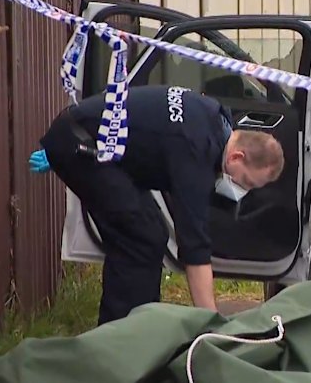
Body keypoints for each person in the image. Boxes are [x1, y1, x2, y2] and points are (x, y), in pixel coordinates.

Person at [28, 85, 284, 325]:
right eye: (246, 181)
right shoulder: (195, 153)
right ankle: (119, 341)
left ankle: (143, 328)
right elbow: (194, 247)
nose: (242, 189)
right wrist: (211, 324)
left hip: (91, 136)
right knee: (138, 239)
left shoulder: (216, 118)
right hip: (81, 144)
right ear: (237, 156)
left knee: (153, 233)